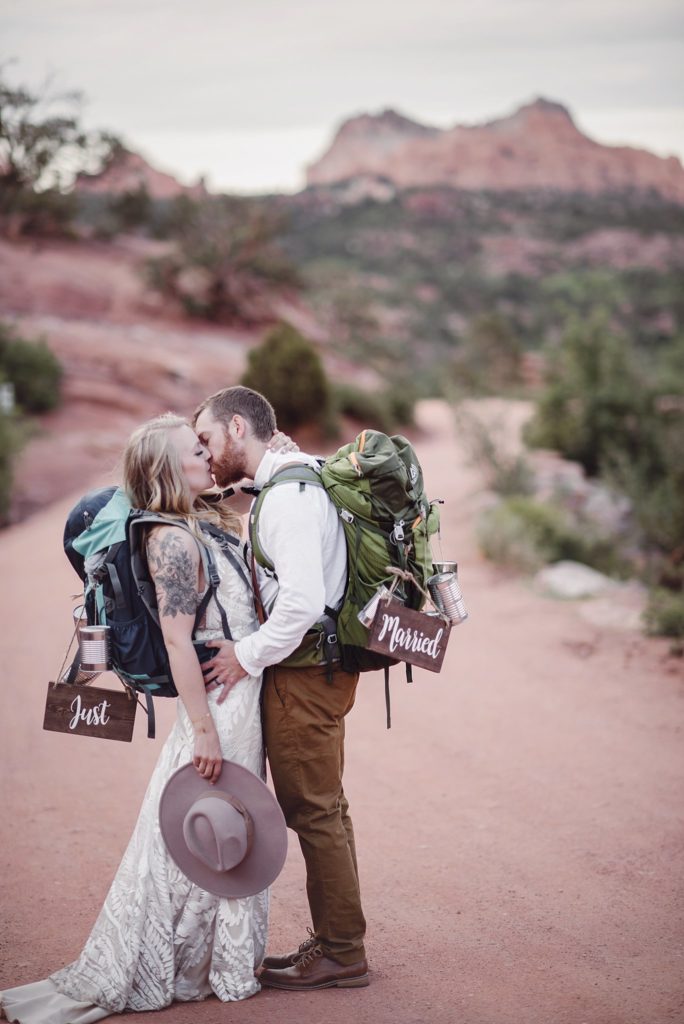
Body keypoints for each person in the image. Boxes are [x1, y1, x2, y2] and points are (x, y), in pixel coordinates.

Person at [0, 413, 293, 1024]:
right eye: (195, 450)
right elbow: (181, 643)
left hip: (238, 697)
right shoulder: (173, 540)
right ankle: (184, 961)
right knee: (207, 823)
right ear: (166, 468)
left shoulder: (201, 520)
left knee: (209, 823)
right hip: (219, 705)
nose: (208, 456)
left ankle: (206, 956)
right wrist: (205, 730)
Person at [194, 386, 369, 991]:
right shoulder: (296, 478)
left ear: (238, 428)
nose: (206, 452)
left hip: (304, 675)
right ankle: (339, 941)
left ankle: (342, 952)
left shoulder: (290, 497)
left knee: (315, 812)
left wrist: (244, 656)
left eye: (208, 439)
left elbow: (298, 603)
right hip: (316, 671)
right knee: (327, 807)